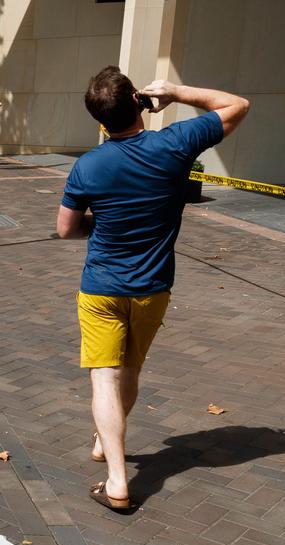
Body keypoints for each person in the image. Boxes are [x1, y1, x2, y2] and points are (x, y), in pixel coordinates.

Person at [56, 66, 249, 511]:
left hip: (102, 286)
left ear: (99, 120)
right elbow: (237, 105)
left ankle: (117, 479)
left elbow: (66, 229)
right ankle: (108, 442)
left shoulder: (88, 165)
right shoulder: (175, 143)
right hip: (153, 285)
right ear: (140, 102)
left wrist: (98, 222)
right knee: (130, 372)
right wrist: (177, 91)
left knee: (103, 379)